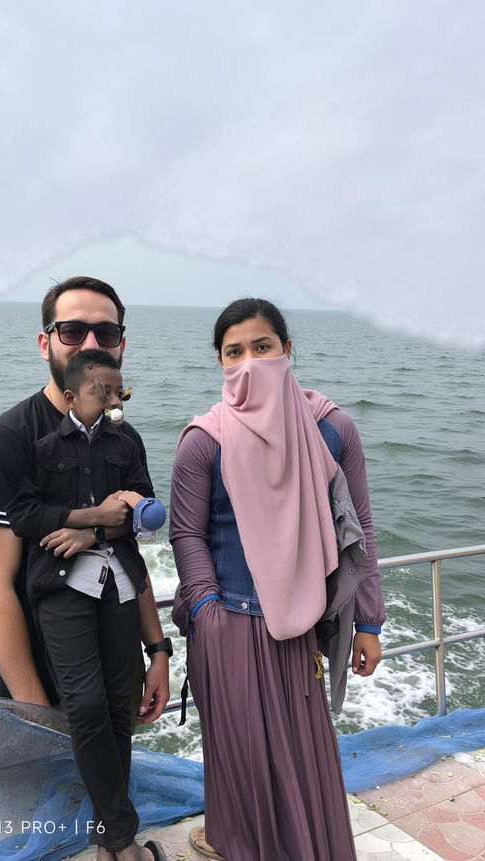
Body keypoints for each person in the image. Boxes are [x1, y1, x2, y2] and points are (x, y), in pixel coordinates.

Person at [169, 298, 385, 861]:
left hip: (303, 627)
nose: (248, 362)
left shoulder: (332, 429)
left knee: (302, 755)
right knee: (235, 753)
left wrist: (368, 621)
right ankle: (232, 842)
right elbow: (186, 535)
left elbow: (359, 526)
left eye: (262, 347)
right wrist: (206, 612)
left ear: (287, 350)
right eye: (233, 352)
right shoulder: (204, 440)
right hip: (229, 626)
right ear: (218, 361)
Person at [0, 276, 169, 725]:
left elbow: (129, 549)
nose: (90, 344)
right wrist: (35, 711)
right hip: (41, 688)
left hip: (117, 677)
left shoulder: (124, 437)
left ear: (121, 346)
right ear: (45, 343)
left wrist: (156, 650)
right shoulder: (10, 440)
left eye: (106, 333)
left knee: (111, 789)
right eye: (73, 331)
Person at [5, 349, 168, 861]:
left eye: (122, 392)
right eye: (105, 392)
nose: (116, 402)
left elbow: (145, 512)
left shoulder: (128, 441)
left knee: (122, 706)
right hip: (62, 589)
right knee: (87, 706)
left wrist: (93, 529)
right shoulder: (40, 447)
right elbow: (23, 516)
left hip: (118, 582)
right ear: (73, 397)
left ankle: (107, 841)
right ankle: (122, 837)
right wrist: (89, 513)